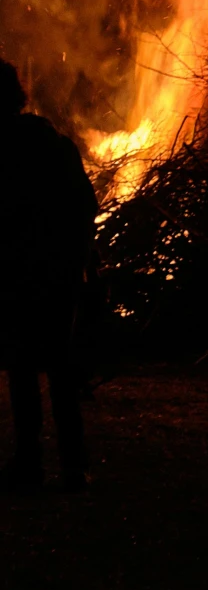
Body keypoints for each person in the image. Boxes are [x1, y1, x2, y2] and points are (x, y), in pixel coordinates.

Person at [0, 59, 97, 490]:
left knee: (22, 369)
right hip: (57, 273)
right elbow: (85, 207)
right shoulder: (53, 142)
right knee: (60, 367)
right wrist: (81, 262)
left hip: (17, 272)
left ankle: (29, 464)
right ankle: (73, 467)